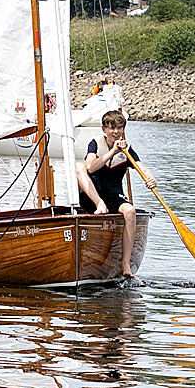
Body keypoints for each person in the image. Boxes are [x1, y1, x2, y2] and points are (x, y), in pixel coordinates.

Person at [76, 110, 156, 277]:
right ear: (104, 129)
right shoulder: (95, 144)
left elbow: (141, 168)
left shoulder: (127, 150)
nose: (116, 132)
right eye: (112, 128)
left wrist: (150, 178)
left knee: (130, 211)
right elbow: (91, 167)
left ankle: (125, 263)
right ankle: (99, 204)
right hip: (92, 197)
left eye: (120, 128)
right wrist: (112, 152)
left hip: (113, 196)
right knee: (80, 167)